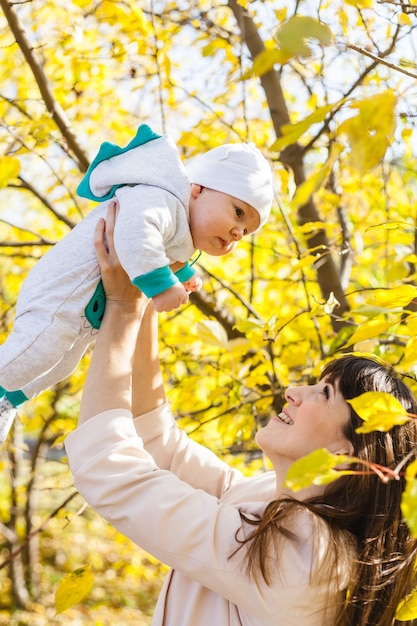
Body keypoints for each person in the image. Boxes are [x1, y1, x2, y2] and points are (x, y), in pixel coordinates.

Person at [65, 203, 417, 626]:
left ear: (348, 449)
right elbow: (162, 447)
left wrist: (120, 305)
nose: (293, 392)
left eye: (324, 393)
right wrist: (142, 290)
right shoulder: (278, 498)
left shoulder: (309, 556)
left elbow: (112, 471)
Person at [0, 124, 274, 443]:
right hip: (62, 294)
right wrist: (161, 285)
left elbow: (166, 248)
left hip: (80, 314)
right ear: (198, 189)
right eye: (238, 212)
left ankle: (8, 402)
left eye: (246, 232)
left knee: (59, 365)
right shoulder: (161, 197)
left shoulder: (178, 223)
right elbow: (135, 236)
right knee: (35, 353)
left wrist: (182, 275)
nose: (237, 233)